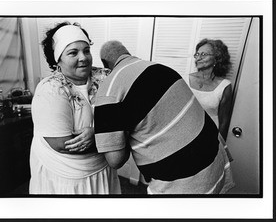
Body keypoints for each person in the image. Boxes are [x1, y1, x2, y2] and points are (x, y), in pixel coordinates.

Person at [93, 40, 235, 194]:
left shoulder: (107, 91)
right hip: (215, 157)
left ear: (106, 64)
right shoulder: (162, 68)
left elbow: (115, 160)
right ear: (127, 53)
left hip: (184, 181)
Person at [29, 22, 120, 194]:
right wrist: (110, 137)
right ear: (58, 60)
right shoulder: (51, 90)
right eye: (73, 53)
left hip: (102, 168)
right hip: (66, 178)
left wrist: (97, 134)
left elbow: (129, 112)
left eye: (86, 50)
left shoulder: (105, 77)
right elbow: (63, 144)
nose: (84, 57)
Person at [183, 38, 233, 160]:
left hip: (209, 138)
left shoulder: (225, 86)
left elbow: (224, 121)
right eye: (197, 54)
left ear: (217, 57)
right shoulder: (184, 79)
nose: (198, 58)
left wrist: (219, 146)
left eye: (203, 54)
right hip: (184, 135)